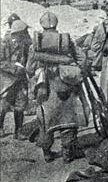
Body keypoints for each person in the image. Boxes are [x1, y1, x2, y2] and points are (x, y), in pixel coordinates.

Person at [27, 12, 90, 163]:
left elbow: (29, 68)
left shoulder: (36, 44)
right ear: (56, 24)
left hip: (45, 88)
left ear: (41, 25)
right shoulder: (66, 40)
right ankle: (68, 153)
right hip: (66, 85)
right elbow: (82, 59)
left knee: (45, 120)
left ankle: (47, 153)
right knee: (68, 117)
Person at [0, 16, 31, 140]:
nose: (25, 35)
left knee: (20, 104)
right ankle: (0, 128)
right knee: (3, 105)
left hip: (20, 79)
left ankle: (18, 131)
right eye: (23, 33)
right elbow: (1, 62)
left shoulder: (24, 42)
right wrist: (14, 68)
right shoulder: (4, 43)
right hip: (6, 79)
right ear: (17, 33)